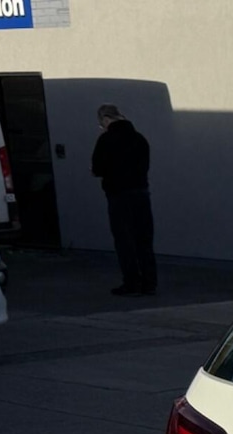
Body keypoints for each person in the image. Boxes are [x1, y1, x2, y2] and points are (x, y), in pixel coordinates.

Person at [90, 103, 157, 296]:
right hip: (141, 193)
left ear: (105, 119)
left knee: (124, 241)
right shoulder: (140, 139)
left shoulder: (106, 140)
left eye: (101, 123)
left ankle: (132, 283)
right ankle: (150, 282)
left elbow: (98, 168)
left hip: (118, 195)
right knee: (144, 239)